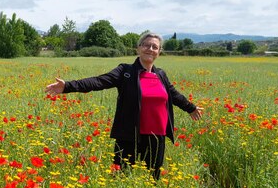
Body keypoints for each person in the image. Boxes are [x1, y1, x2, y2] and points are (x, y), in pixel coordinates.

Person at [45, 32, 203, 180]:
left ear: (159, 52)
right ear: (138, 48)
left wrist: (190, 107)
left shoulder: (160, 74)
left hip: (156, 136)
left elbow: (173, 94)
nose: (150, 49)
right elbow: (99, 81)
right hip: (129, 135)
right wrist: (68, 86)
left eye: (155, 47)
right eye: (146, 45)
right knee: (121, 177)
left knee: (153, 179)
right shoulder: (125, 71)